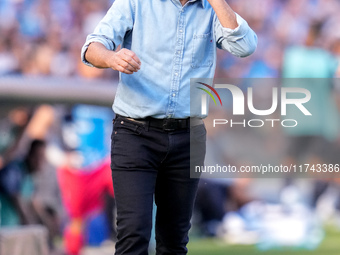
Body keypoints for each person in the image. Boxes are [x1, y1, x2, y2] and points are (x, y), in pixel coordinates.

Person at [81, 0, 257, 254]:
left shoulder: (212, 9)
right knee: (134, 235)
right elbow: (91, 48)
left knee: (174, 242)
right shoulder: (136, 2)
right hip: (135, 132)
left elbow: (245, 46)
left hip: (188, 136)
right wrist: (111, 57)